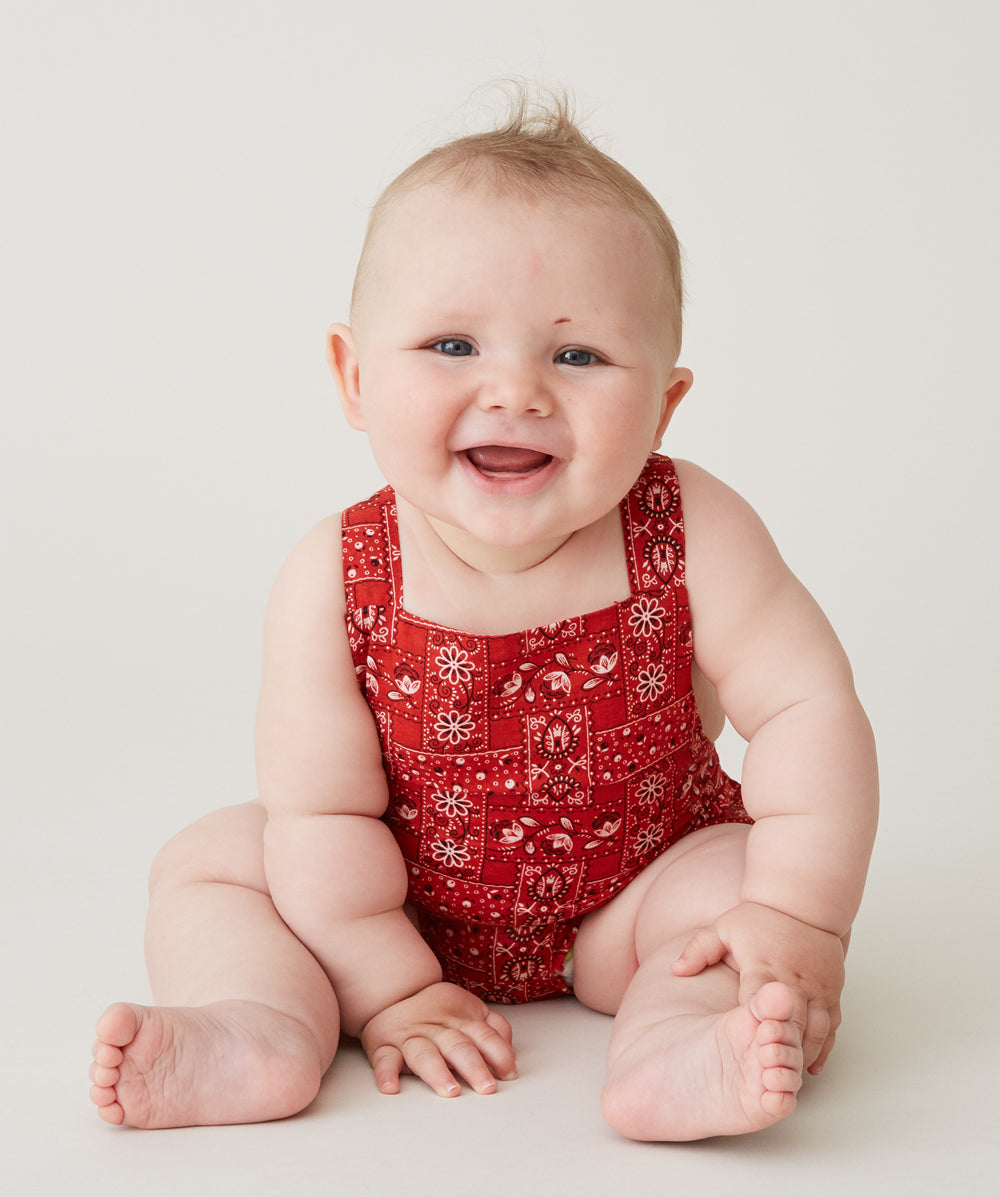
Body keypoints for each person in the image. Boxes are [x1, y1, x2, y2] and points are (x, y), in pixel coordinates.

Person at [89, 90, 878, 1141]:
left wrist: (797, 914)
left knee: (733, 891)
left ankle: (675, 1049)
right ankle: (260, 1023)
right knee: (213, 860)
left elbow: (806, 710)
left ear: (664, 406)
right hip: (392, 903)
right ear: (354, 376)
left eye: (579, 356)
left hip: (634, 896)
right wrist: (387, 984)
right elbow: (321, 813)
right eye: (452, 345)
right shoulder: (333, 573)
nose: (516, 391)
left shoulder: (694, 528)